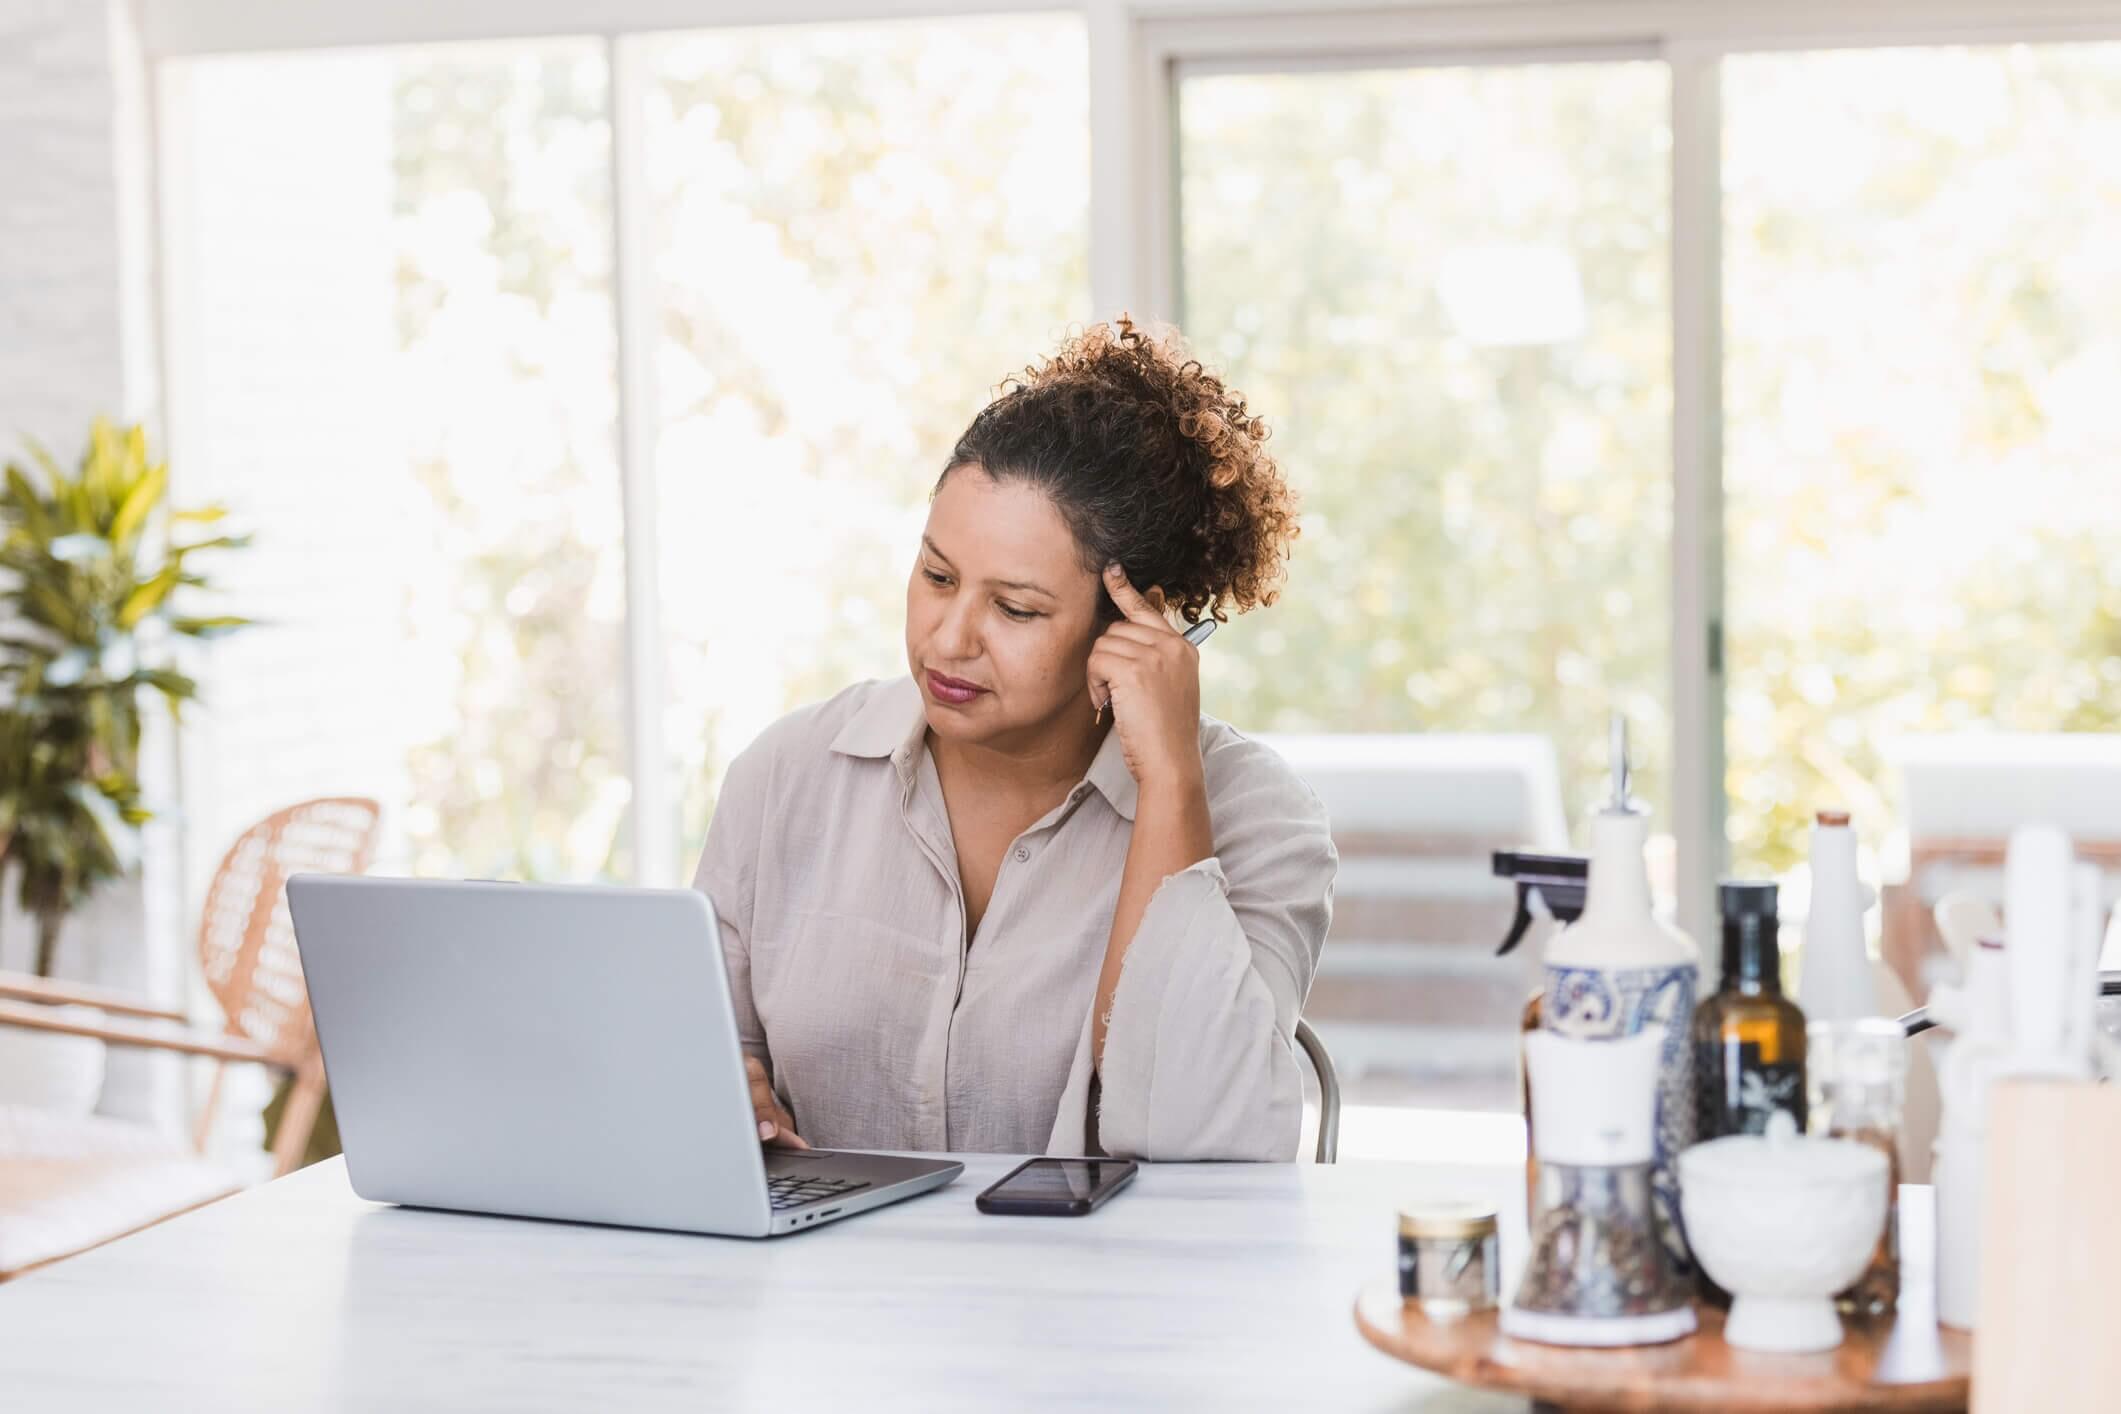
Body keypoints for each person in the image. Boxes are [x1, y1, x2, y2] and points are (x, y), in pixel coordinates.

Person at [691, 318, 1336, 1161]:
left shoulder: (1259, 818)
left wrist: (1170, 783)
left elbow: (1195, 1136)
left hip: (1115, 1257)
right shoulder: (786, 776)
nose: (949, 638)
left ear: (1135, 622)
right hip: (825, 1253)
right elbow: (695, 1064)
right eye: (937, 576)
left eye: (1015, 609)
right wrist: (720, 1096)